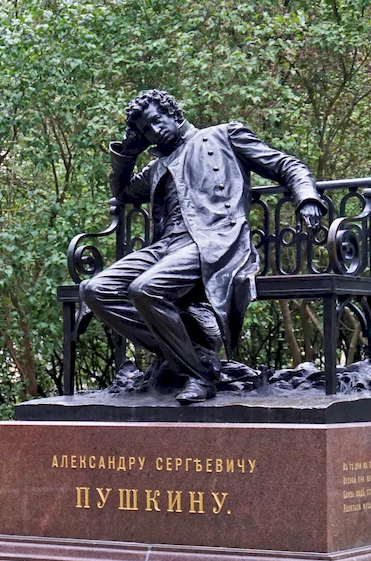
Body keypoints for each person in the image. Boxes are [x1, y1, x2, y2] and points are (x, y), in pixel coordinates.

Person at [80, 89, 324, 403]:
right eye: (146, 131)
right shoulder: (158, 165)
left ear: (173, 112)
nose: (154, 132)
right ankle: (190, 354)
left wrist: (306, 197)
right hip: (166, 246)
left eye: (156, 122)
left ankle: (199, 375)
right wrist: (128, 150)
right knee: (95, 290)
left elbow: (285, 164)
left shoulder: (224, 136)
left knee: (145, 289)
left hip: (212, 241)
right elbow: (123, 192)